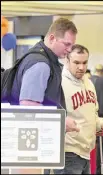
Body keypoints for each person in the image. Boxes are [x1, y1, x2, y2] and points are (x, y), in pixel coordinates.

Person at [10, 17, 80, 174]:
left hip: (30, 142)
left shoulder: (40, 57)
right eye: (67, 44)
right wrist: (62, 121)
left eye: (72, 45)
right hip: (29, 143)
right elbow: (28, 106)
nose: (69, 50)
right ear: (52, 38)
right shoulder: (40, 64)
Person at [51, 44, 103, 174]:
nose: (81, 67)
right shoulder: (58, 83)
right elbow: (51, 116)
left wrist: (101, 124)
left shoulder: (89, 83)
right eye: (76, 62)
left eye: (84, 62)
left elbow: (92, 113)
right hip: (68, 152)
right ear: (67, 60)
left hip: (86, 151)